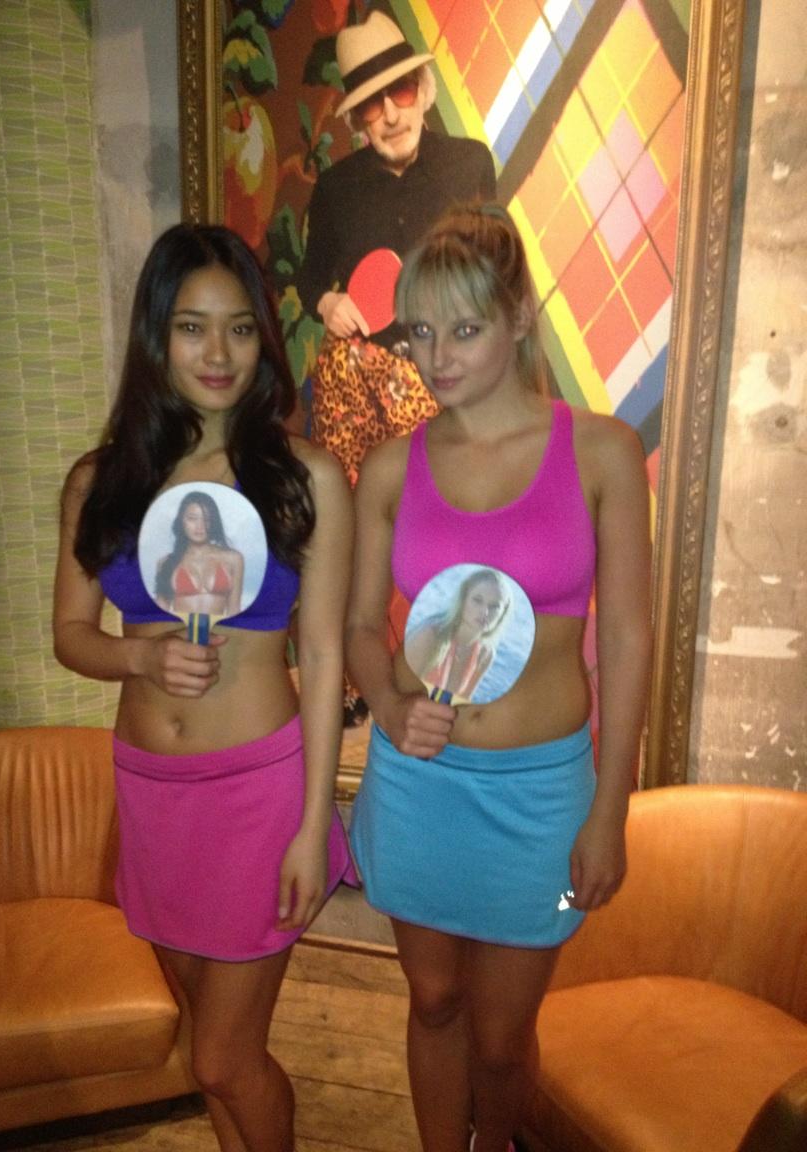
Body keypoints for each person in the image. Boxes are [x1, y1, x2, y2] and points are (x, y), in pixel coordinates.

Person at [346, 203, 652, 1152]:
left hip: (545, 795)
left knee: (502, 1032)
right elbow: (357, 627)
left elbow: (629, 637)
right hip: (417, 783)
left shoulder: (601, 450)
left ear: (519, 318)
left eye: (464, 329)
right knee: (434, 1000)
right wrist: (388, 705)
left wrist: (611, 809)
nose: (437, 357)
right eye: (420, 331)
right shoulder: (391, 467)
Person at [53, 223, 356, 1152]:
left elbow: (325, 660)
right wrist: (139, 659)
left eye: (239, 328)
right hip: (152, 793)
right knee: (206, 1051)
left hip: (258, 795)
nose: (218, 352)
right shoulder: (100, 482)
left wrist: (313, 824)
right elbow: (70, 636)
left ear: (264, 338)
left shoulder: (305, 478)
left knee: (225, 1057)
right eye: (192, 327)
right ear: (157, 335)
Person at [298, 9, 497, 722]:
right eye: (371, 104)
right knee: (349, 524)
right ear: (357, 118)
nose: (390, 114)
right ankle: (355, 681)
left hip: (448, 379)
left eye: (401, 92)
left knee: (448, 522)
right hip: (363, 376)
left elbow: (494, 270)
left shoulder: (470, 162)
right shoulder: (336, 189)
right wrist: (329, 302)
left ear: (423, 89)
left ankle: (455, 669)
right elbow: (311, 276)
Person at [404, 566, 511, 702]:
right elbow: (398, 691)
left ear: (503, 613)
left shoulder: (485, 654)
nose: (485, 612)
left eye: (494, 606)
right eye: (477, 600)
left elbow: (461, 703)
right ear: (463, 598)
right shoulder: (429, 636)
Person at [155, 489, 245, 618]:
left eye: (206, 519)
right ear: (181, 521)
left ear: (214, 522)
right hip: (180, 627)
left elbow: (234, 610)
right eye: (192, 519)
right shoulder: (167, 562)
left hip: (219, 628)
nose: (200, 526)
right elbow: (161, 612)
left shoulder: (234, 559)